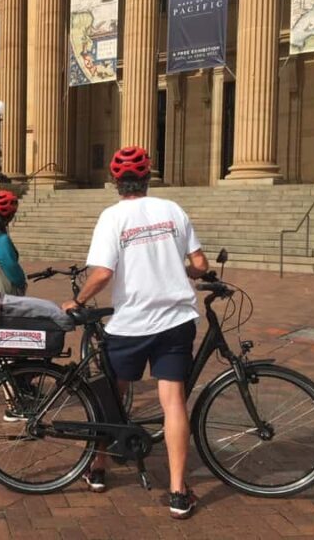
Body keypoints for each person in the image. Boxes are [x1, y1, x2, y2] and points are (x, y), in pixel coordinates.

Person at [62, 146, 208, 519]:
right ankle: (177, 492)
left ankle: (98, 468)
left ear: (115, 182)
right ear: (147, 179)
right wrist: (185, 273)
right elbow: (200, 264)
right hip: (175, 320)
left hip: (131, 324)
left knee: (112, 396)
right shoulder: (173, 210)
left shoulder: (112, 217)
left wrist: (78, 300)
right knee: (173, 403)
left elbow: (103, 274)